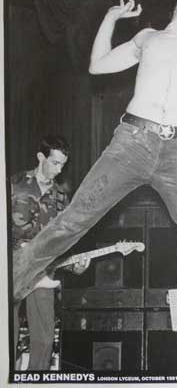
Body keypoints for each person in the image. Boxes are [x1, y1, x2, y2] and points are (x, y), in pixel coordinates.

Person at [13, 0, 177, 365]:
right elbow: (98, 64)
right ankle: (11, 280)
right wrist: (111, 17)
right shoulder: (149, 37)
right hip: (131, 143)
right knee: (71, 221)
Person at [12, 135, 90, 370]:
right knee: (8, 335)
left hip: (42, 274)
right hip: (11, 271)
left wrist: (75, 264)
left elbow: (61, 244)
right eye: (55, 163)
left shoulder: (61, 198)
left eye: (63, 165)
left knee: (44, 340)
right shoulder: (12, 185)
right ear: (40, 157)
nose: (59, 169)